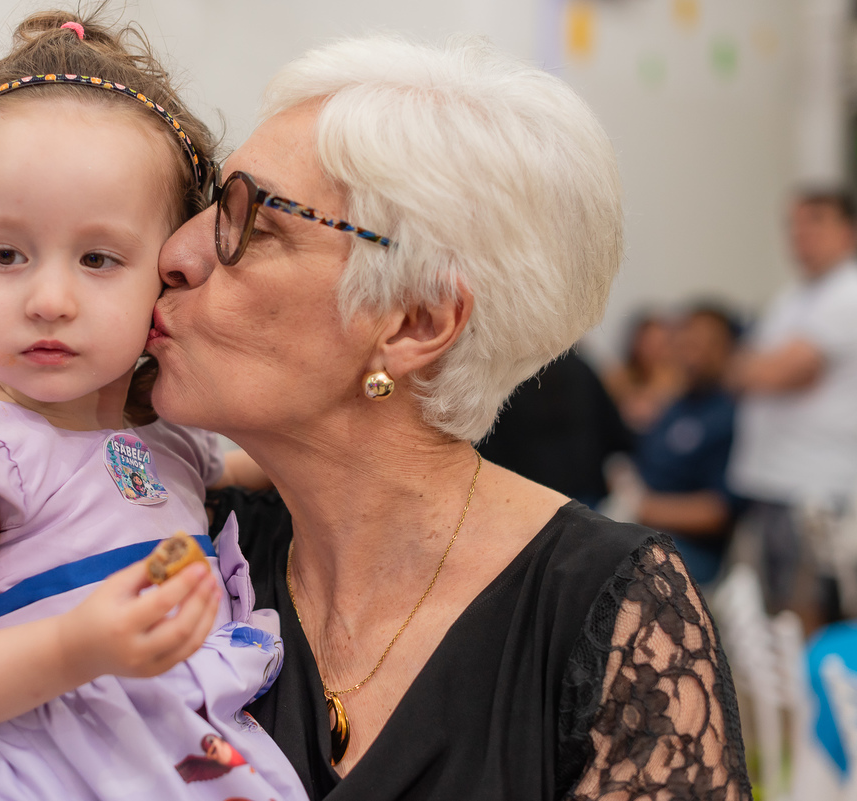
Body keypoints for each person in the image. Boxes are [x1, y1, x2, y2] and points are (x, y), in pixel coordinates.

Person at [149, 34, 750, 800]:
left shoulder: (609, 613)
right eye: (206, 207)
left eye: (252, 222)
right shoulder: (180, 545)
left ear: (415, 322)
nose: (174, 251)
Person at [0, 12, 305, 801]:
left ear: (168, 267)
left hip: (180, 766)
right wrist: (74, 647)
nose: (48, 298)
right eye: (5, 254)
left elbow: (272, 459)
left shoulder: (171, 441)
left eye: (98, 258)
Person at [728, 190, 857, 617]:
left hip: (814, 483)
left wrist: (750, 367)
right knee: (777, 605)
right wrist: (752, 367)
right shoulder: (794, 296)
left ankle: (812, 684)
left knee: (807, 605)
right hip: (774, 477)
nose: (801, 234)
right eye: (795, 223)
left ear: (849, 230)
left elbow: (782, 373)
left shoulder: (848, 292)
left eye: (816, 221)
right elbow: (751, 367)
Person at [629, 304, 742, 586]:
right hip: (641, 528)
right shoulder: (675, 406)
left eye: (703, 343)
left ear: (727, 349)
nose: (692, 352)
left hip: (694, 549)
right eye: (686, 342)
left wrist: (643, 509)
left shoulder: (731, 415)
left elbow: (718, 511)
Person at [477, 348, 631, 507]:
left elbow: (490, 441)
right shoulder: (580, 369)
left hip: (526, 492)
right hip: (580, 492)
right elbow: (614, 432)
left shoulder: (506, 377)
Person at [603, 312, 687, 433]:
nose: (655, 350)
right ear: (636, 343)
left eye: (661, 344)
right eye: (649, 343)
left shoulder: (679, 379)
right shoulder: (617, 377)